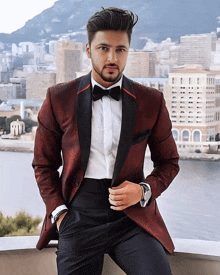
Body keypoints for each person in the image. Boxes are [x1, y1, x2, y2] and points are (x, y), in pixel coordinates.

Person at [33, 7, 179, 275]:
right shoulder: (58, 98)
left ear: (128, 50)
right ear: (88, 50)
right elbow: (43, 165)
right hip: (78, 216)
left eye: (120, 49)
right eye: (103, 48)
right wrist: (61, 215)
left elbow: (169, 162)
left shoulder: (151, 101)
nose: (112, 57)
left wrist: (143, 190)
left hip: (131, 217)